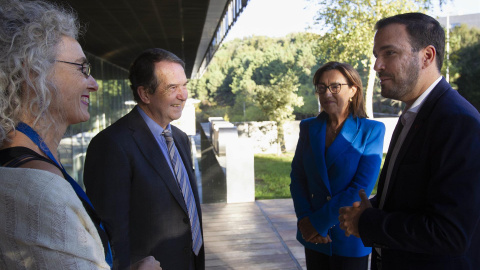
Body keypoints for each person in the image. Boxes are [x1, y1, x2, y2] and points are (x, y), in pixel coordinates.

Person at [0, 1, 161, 269]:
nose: (94, 84)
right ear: (33, 73)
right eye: (82, 68)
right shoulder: (41, 189)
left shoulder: (22, 161)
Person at [338, 12, 480, 270]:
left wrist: (367, 222)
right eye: (376, 56)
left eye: (389, 53)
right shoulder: (414, 114)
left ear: (427, 56)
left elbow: (450, 233)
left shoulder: (458, 122)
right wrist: (373, 206)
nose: (377, 65)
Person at [83, 48, 205, 270]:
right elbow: (111, 232)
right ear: (145, 94)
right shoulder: (111, 145)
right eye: (172, 87)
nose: (183, 95)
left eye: (184, 85)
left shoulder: (180, 138)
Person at [290, 61, 385, 269]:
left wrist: (318, 223)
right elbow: (298, 178)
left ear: (353, 90)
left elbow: (359, 188)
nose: (327, 94)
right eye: (321, 88)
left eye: (335, 87)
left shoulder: (372, 131)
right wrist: (305, 220)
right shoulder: (308, 128)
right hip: (313, 236)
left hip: (348, 234)